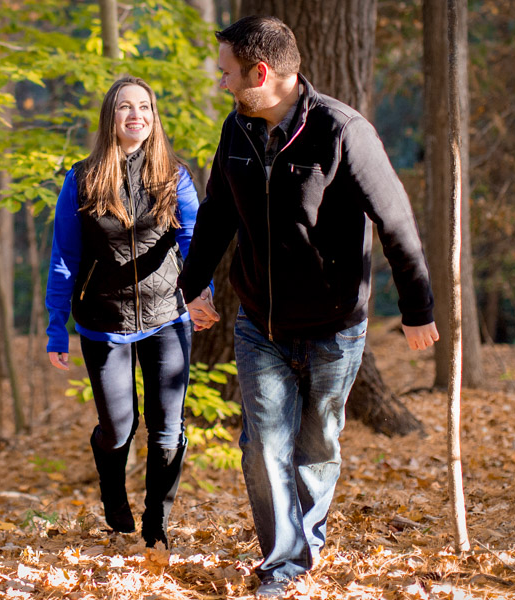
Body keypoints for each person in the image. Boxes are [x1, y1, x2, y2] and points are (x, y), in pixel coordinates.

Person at [178, 16, 440, 598]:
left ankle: (305, 539)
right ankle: (286, 561)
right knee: (262, 445)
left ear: (261, 73)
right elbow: (219, 213)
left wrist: (419, 308)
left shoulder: (342, 131)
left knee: (318, 443)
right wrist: (192, 287)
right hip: (259, 326)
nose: (222, 83)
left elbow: (395, 223)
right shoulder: (237, 131)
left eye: (227, 73)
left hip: (334, 326)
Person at [46, 75, 209, 548]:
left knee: (167, 431)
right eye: (125, 107)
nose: (136, 114)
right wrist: (58, 327)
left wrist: (201, 294)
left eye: (144, 107)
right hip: (104, 322)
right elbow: (64, 258)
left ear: (154, 117)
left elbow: (193, 239)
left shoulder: (174, 175)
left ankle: (157, 521)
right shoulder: (81, 178)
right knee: (118, 430)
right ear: (110, 118)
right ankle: (112, 491)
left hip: (167, 317)